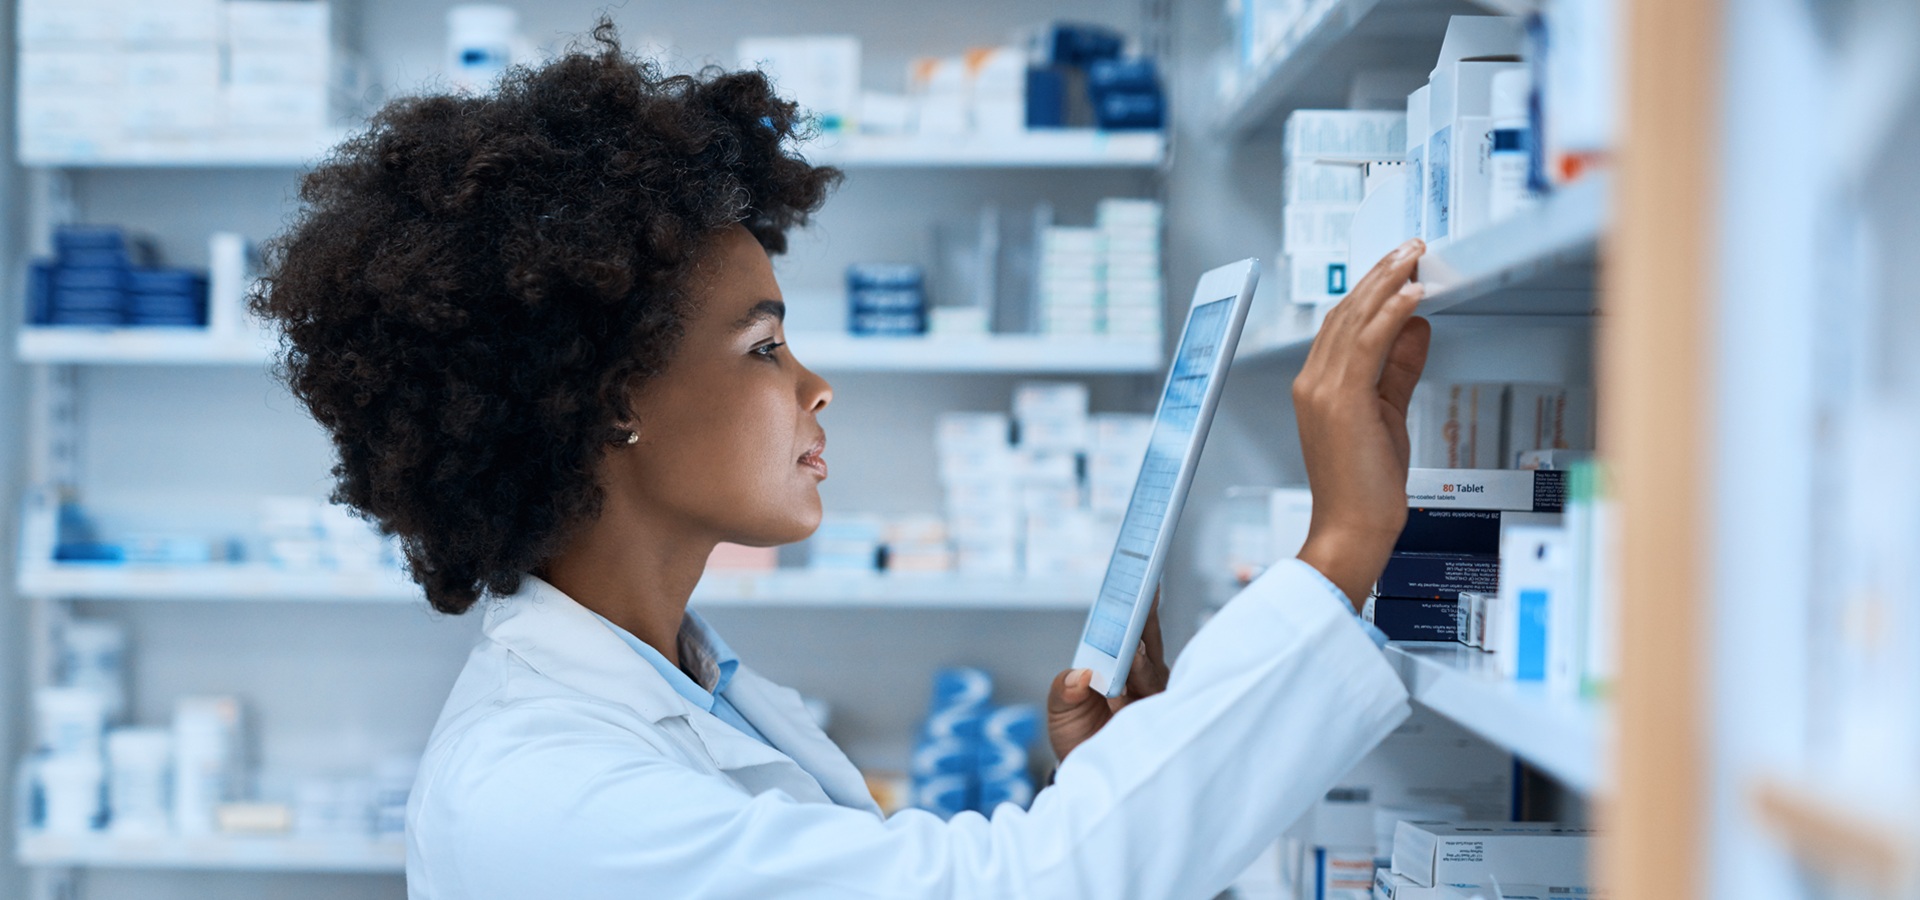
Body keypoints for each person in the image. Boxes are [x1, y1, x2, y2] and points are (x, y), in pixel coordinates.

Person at [253, 26, 1433, 900]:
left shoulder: (689, 687)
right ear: (617, 401)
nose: (817, 386)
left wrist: (1112, 781)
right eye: (765, 347)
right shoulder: (543, 793)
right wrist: (1335, 557)